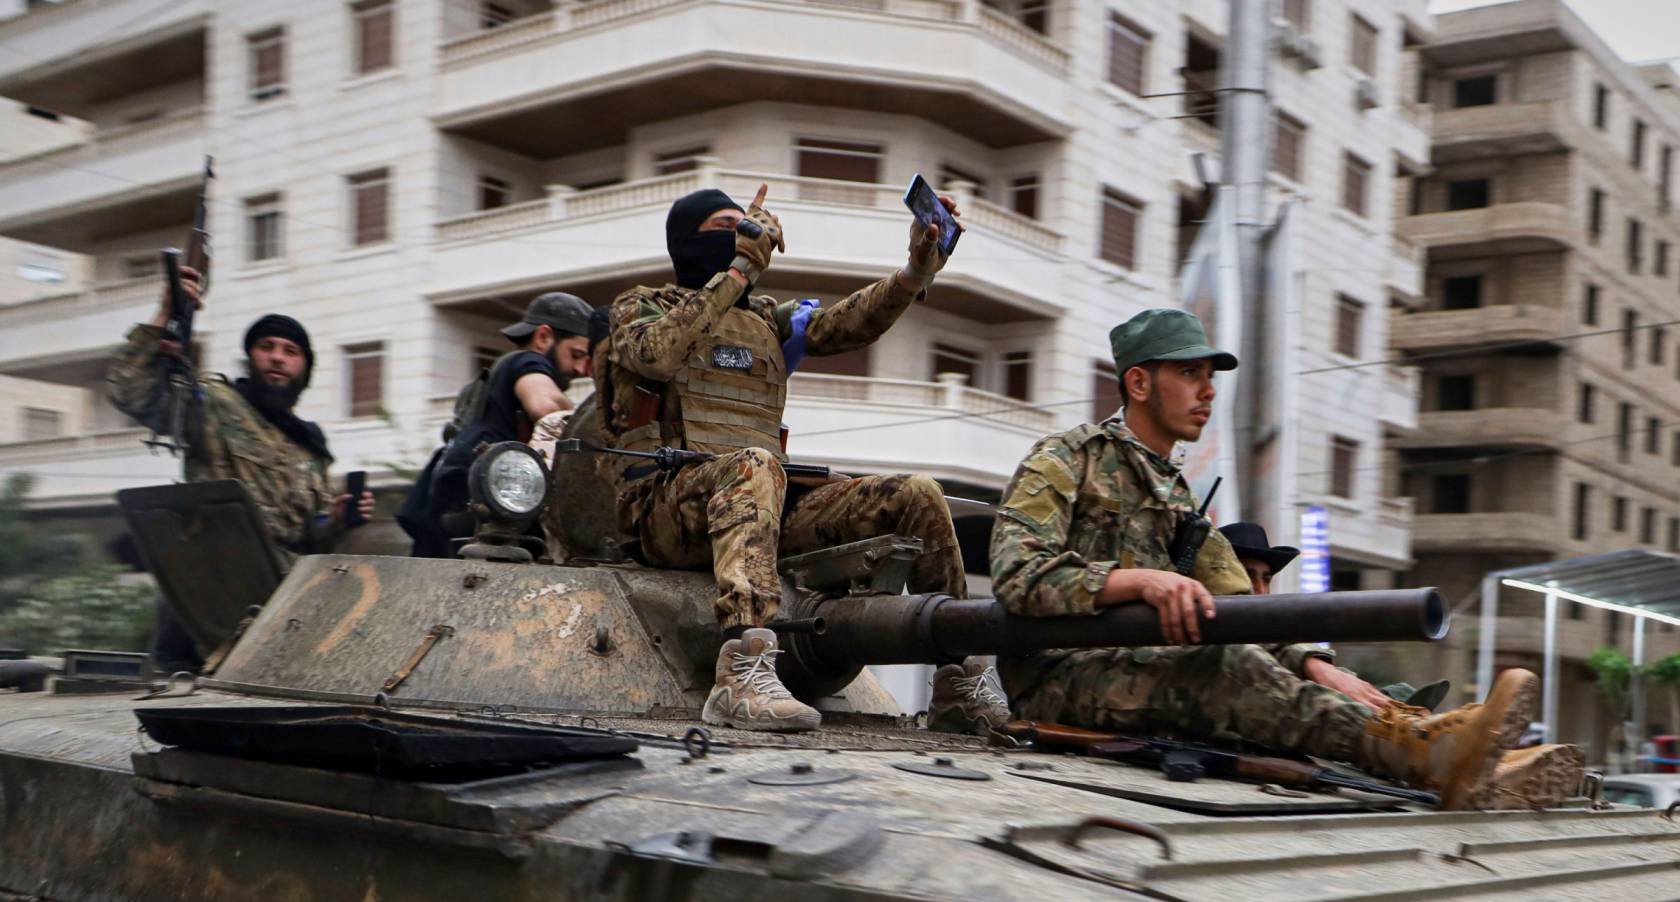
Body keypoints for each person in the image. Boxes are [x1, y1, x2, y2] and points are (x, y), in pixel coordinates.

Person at [989, 308, 1578, 810]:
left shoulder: (1172, 492)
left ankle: (1439, 743)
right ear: (1139, 384)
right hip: (1057, 677)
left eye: (1210, 376)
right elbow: (1017, 574)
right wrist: (1140, 581)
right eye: (1189, 373)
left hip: (1132, 670)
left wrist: (1314, 662)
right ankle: (1426, 752)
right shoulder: (1067, 459)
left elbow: (1239, 604)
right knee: (1223, 670)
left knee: (1308, 675)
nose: (1209, 390)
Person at [598, 183, 1005, 734]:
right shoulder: (641, 306)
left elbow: (848, 324)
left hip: (762, 506)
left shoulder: (767, 318)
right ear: (688, 241)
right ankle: (743, 668)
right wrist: (738, 272)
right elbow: (657, 354)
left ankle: (960, 676)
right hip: (667, 513)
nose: (745, 235)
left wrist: (916, 272)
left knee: (914, 494)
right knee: (755, 464)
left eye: (748, 226)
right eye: (727, 228)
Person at [108, 266, 374, 669]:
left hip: (279, 607)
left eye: (290, 351)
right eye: (267, 346)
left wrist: (335, 518)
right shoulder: (215, 404)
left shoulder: (309, 447)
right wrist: (165, 311)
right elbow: (132, 391)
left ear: (305, 367)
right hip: (210, 597)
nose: (278, 358)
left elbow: (304, 538)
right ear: (251, 356)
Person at [1218, 520, 1451, 711]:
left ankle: (1391, 704)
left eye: (1266, 579)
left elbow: (1279, 648)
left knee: (1343, 681)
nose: (1260, 590)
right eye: (1247, 576)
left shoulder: (1273, 637)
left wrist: (1321, 668)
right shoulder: (1203, 623)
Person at [428, 291, 595, 531]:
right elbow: (546, 407)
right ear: (543, 337)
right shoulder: (525, 362)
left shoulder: (501, 374)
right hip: (483, 508)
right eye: (576, 355)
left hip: (463, 501)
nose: (581, 369)